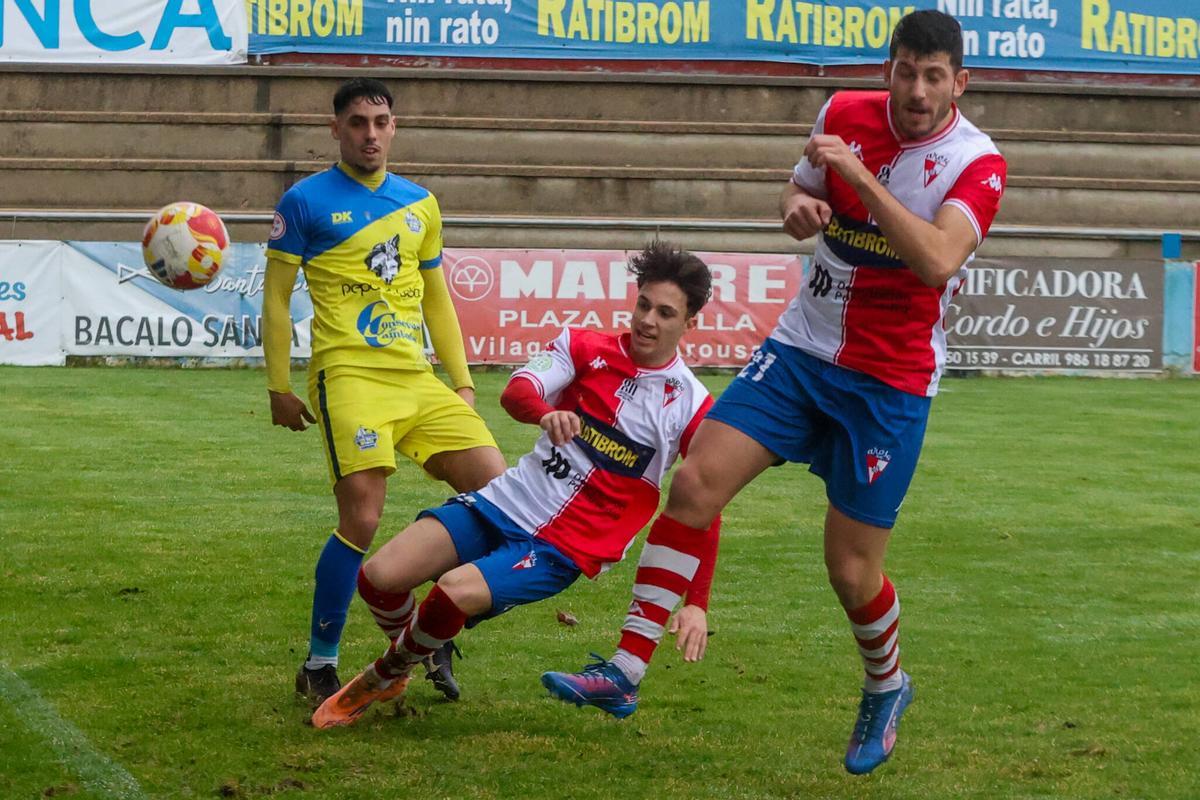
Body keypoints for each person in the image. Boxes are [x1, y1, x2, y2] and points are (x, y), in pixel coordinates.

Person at [541, 10, 1007, 776]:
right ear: (887, 68)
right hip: (800, 351)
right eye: (905, 71)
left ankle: (887, 685)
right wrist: (797, 205)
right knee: (693, 482)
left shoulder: (975, 162)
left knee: (851, 570)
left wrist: (858, 178)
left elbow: (936, 260)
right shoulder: (842, 113)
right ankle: (623, 673)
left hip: (888, 384)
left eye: (935, 77)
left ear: (960, 82)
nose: (917, 90)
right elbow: (800, 192)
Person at [309, 241, 721, 729]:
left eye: (666, 313)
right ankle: (426, 644)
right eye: (643, 305)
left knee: (452, 592)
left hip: (567, 546)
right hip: (504, 502)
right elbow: (517, 391)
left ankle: (386, 674)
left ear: (690, 324)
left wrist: (696, 603)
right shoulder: (582, 347)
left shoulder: (694, 406)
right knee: (378, 577)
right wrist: (547, 413)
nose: (648, 320)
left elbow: (705, 508)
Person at [262, 77, 506, 706]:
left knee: (500, 493)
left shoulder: (420, 203)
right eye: (357, 123)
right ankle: (320, 663)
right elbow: (276, 297)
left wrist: (461, 381)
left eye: (381, 122)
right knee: (362, 519)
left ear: (394, 127)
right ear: (335, 129)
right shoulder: (305, 202)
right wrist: (279, 387)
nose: (370, 134)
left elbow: (436, 298)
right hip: (349, 378)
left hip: (416, 380)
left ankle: (424, 629)